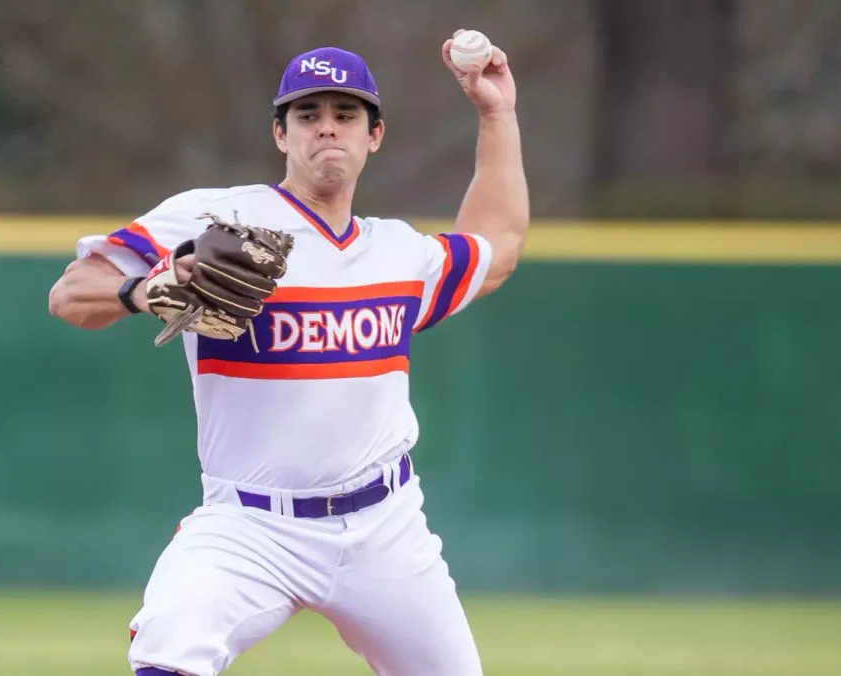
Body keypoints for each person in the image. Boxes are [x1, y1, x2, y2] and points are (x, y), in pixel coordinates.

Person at [49, 31, 528, 676]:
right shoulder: (218, 221)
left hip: (384, 527)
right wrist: (141, 290)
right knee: (169, 647)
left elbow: (496, 242)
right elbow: (71, 294)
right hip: (250, 524)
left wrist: (497, 114)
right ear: (281, 135)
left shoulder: (398, 253)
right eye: (307, 115)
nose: (326, 129)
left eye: (345, 114)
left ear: (374, 135)